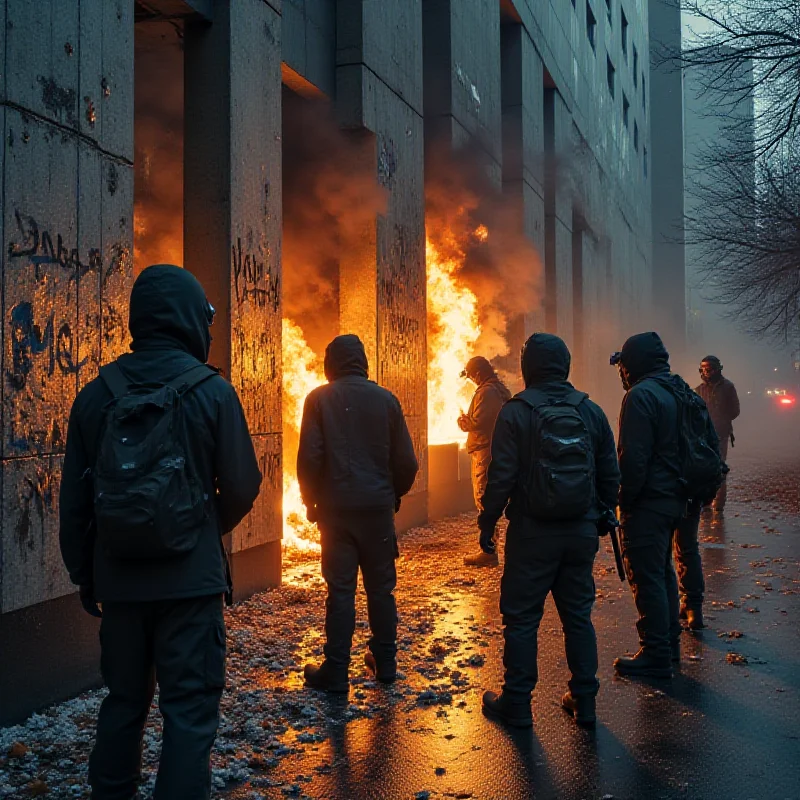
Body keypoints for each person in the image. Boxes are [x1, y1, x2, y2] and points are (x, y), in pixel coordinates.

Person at [60, 264, 263, 799]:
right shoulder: (213, 391)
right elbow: (243, 484)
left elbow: (75, 504)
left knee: (123, 703)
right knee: (189, 715)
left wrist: (87, 574)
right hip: (190, 589)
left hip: (120, 584)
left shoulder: (96, 395)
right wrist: (201, 528)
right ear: (192, 318)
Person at [478, 333, 620, 729]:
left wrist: (487, 523)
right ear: (565, 364)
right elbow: (610, 473)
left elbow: (501, 477)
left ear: (528, 367)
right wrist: (602, 512)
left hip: (531, 533)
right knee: (578, 616)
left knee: (522, 618)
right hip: (580, 533)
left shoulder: (516, 411)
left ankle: (518, 702)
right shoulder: (590, 410)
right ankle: (584, 700)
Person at [298, 334, 419, 692]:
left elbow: (309, 460)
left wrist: (311, 500)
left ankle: (336, 670)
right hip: (377, 512)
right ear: (363, 362)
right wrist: (392, 496)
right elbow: (407, 463)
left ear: (329, 363)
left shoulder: (318, 399)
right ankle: (385, 663)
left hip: (336, 513)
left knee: (340, 591)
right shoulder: (386, 400)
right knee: (382, 589)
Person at [611, 332, 690, 678]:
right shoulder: (675, 387)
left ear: (635, 364)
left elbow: (633, 460)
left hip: (648, 502)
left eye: (624, 364)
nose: (622, 372)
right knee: (663, 571)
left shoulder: (641, 396)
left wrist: (622, 501)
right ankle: (669, 646)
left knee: (646, 576)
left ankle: (655, 653)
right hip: (674, 498)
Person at [457, 356, 511, 567]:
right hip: (493, 449)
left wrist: (464, 422)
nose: (470, 379)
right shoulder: (498, 389)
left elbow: (481, 422)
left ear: (478, 373)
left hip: (485, 452)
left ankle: (488, 551)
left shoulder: (487, 392)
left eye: (470, 376)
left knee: (484, 498)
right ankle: (489, 548)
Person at [695, 355, 739, 514]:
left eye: (710, 368)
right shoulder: (698, 390)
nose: (707, 372)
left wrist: (721, 419)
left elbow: (735, 410)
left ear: (717, 369)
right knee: (703, 467)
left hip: (720, 432)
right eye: (704, 369)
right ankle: (705, 503)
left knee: (719, 467)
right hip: (702, 434)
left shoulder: (727, 387)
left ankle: (718, 504)